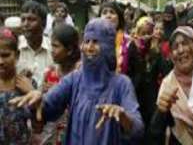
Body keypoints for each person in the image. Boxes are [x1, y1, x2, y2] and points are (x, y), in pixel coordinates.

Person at [10, 19, 144, 145]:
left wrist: (123, 116)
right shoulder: (75, 79)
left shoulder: (121, 84)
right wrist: (37, 102)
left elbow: (138, 129)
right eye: (86, 41)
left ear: (108, 47)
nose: (89, 47)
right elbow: (48, 107)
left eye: (96, 42)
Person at [0, 27, 34, 144]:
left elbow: (39, 124)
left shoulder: (26, 84)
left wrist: (31, 93)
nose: (0, 61)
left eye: (5, 55)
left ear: (17, 55)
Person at [17, 1, 54, 88]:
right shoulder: (14, 47)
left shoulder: (53, 48)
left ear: (43, 24)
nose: (26, 24)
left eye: (31, 19)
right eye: (23, 20)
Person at [99, 2, 129, 74]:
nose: (108, 16)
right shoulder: (92, 41)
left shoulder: (128, 42)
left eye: (112, 12)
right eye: (104, 13)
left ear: (119, 18)